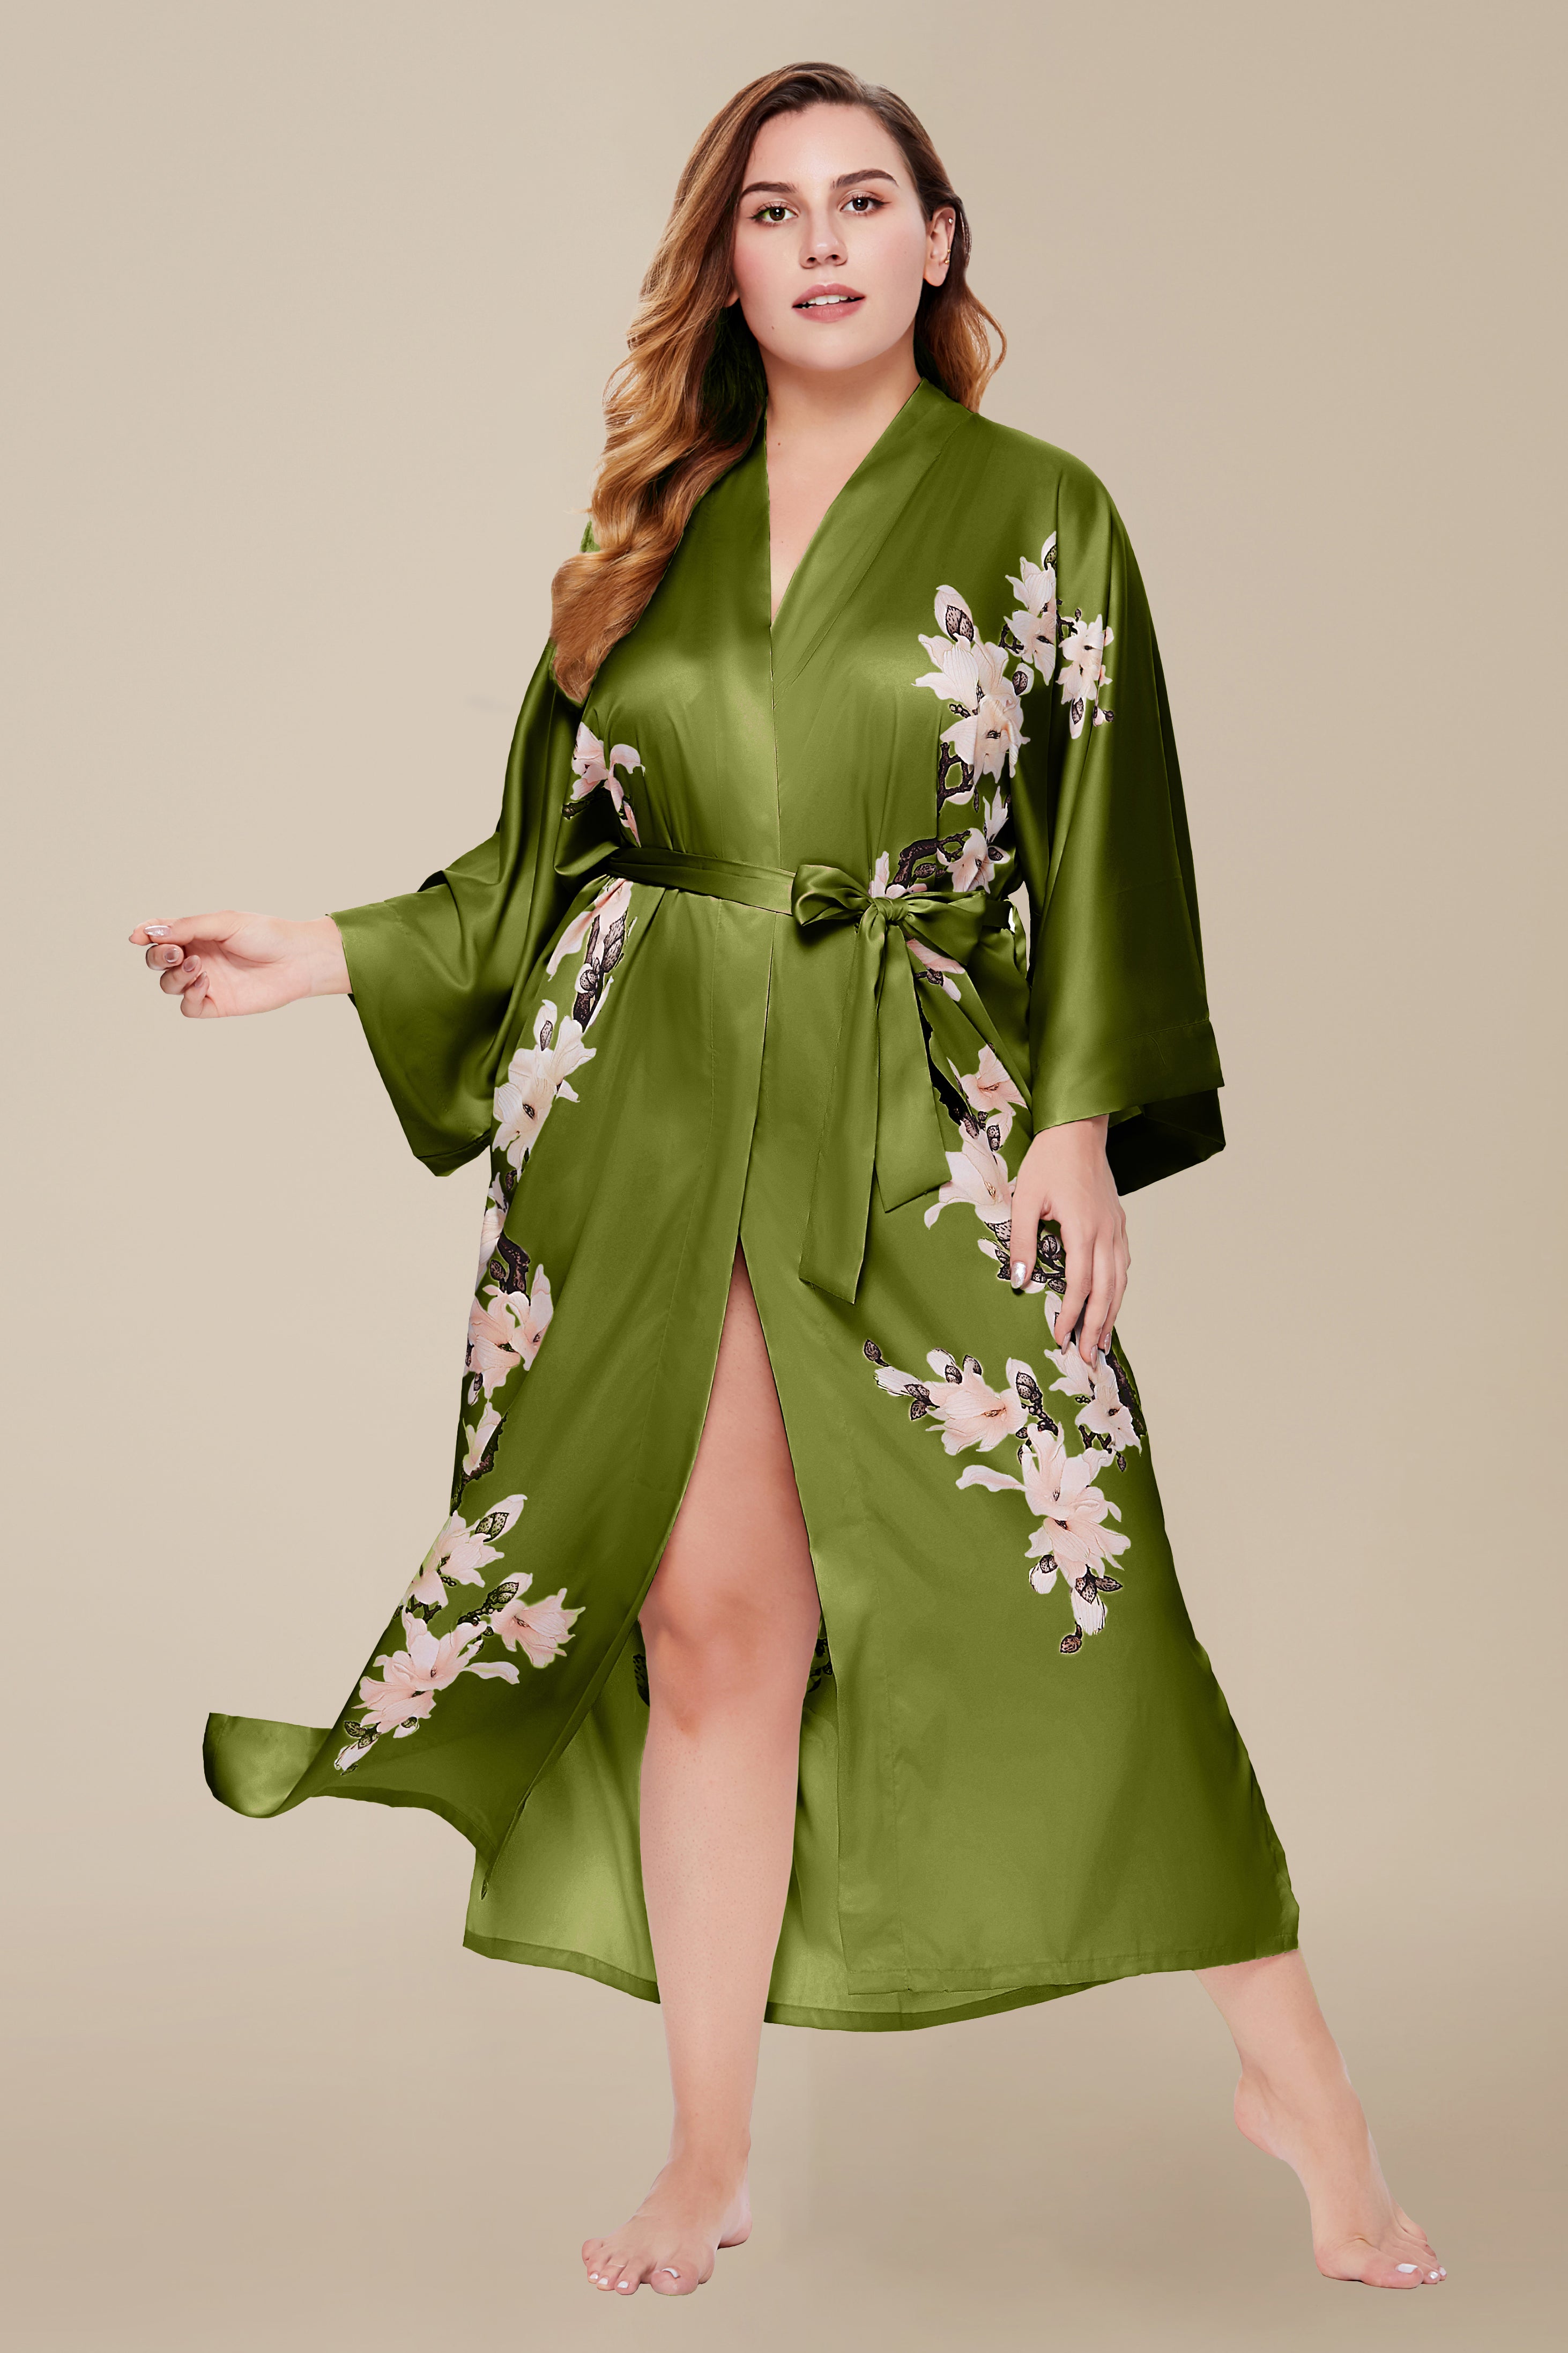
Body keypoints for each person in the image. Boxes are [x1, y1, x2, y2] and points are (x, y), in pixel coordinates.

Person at [130, 62, 1444, 2304]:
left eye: (863, 200)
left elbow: (1107, 829)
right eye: (773, 208)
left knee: (1084, 1586)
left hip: (912, 1104)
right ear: (725, 264)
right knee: (709, 1630)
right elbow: (541, 865)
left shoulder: (1044, 511)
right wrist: (324, 952)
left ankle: (1297, 2081)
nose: (821, 240)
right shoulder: (650, 534)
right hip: (649, 1110)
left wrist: (1076, 1119)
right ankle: (709, 2145)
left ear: (939, 242)